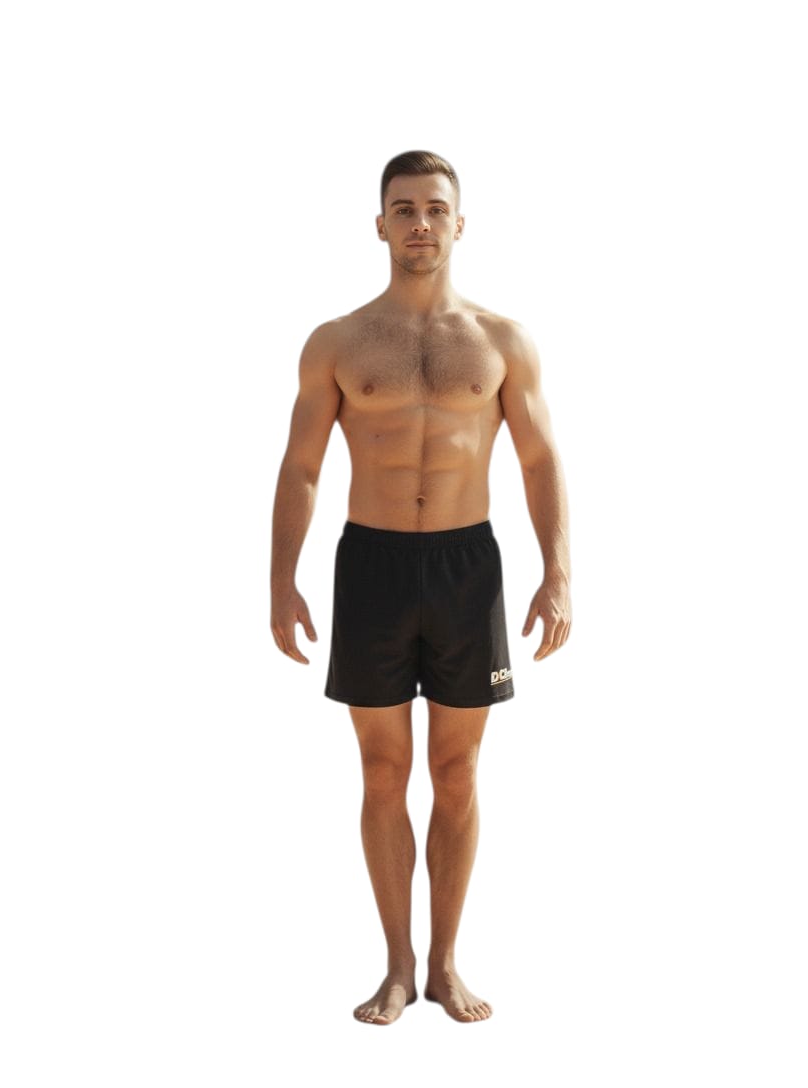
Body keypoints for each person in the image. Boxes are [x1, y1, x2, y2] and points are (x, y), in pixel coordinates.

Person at [269, 150, 571, 1024]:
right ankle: (397, 966)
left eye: (435, 208)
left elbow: (539, 457)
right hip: (371, 567)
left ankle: (445, 964)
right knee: (381, 771)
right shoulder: (337, 341)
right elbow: (301, 466)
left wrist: (557, 571)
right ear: (380, 225)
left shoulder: (502, 341)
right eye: (403, 209)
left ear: (460, 223)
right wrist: (282, 580)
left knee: (458, 771)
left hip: (466, 567)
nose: (420, 223)